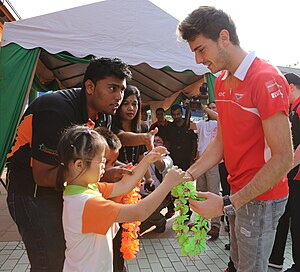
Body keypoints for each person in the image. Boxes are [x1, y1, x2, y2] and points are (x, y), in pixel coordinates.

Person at [5, 57, 154, 272]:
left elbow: (110, 143)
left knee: (67, 259)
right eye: (112, 88)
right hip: (32, 193)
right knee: (50, 262)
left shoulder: (104, 113)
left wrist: (125, 167)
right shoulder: (55, 110)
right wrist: (102, 175)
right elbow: (43, 174)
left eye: (121, 90)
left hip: (64, 189)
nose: (119, 97)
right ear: (90, 86)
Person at [177, 6, 293, 272]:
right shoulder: (221, 81)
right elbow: (221, 141)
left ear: (224, 37)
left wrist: (227, 203)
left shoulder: (265, 78)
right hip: (238, 193)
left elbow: (284, 158)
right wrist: (189, 175)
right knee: (239, 265)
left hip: (262, 197)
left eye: (201, 49)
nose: (198, 60)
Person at [56, 125, 185, 272]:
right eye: (101, 160)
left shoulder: (86, 188)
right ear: (79, 165)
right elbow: (139, 212)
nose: (105, 165)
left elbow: (124, 185)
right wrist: (168, 183)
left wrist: (148, 159)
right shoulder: (87, 203)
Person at [269, 73, 300, 272]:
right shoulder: (292, 109)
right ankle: (275, 260)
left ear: (289, 86)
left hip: (296, 175)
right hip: (290, 175)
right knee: (283, 217)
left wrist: (285, 167)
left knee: (296, 222)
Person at [190, 101, 221, 239]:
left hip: (214, 161)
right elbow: (189, 126)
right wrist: (188, 107)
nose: (211, 110)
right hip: (201, 161)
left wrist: (204, 108)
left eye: (214, 108)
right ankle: (201, 223)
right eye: (210, 108)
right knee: (200, 192)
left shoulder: (221, 122)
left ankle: (215, 225)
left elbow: (219, 117)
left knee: (213, 191)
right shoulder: (202, 124)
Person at [165, 103, 197, 219]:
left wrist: (193, 159)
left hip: (187, 160)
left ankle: (187, 211)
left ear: (182, 113)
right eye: (174, 115)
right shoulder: (170, 127)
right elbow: (168, 142)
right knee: (174, 187)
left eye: (178, 114)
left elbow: (194, 142)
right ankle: (173, 208)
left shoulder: (189, 124)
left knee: (186, 186)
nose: (176, 116)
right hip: (173, 160)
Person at [139, 134, 174, 234]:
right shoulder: (142, 156)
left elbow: (161, 167)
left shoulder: (167, 159)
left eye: (158, 141)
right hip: (141, 195)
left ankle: (160, 221)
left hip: (161, 197)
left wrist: (152, 152)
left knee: (146, 213)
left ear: (164, 145)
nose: (155, 143)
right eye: (153, 141)